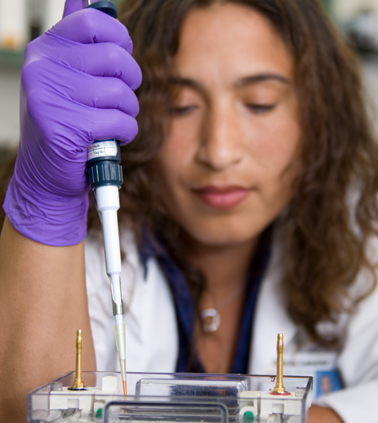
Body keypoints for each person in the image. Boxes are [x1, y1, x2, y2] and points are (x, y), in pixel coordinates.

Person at [0, 0, 377, 422]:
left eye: (259, 103)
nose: (218, 152)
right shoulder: (90, 244)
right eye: (180, 105)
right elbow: (32, 409)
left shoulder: (361, 234)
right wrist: (47, 204)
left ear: (318, 116)